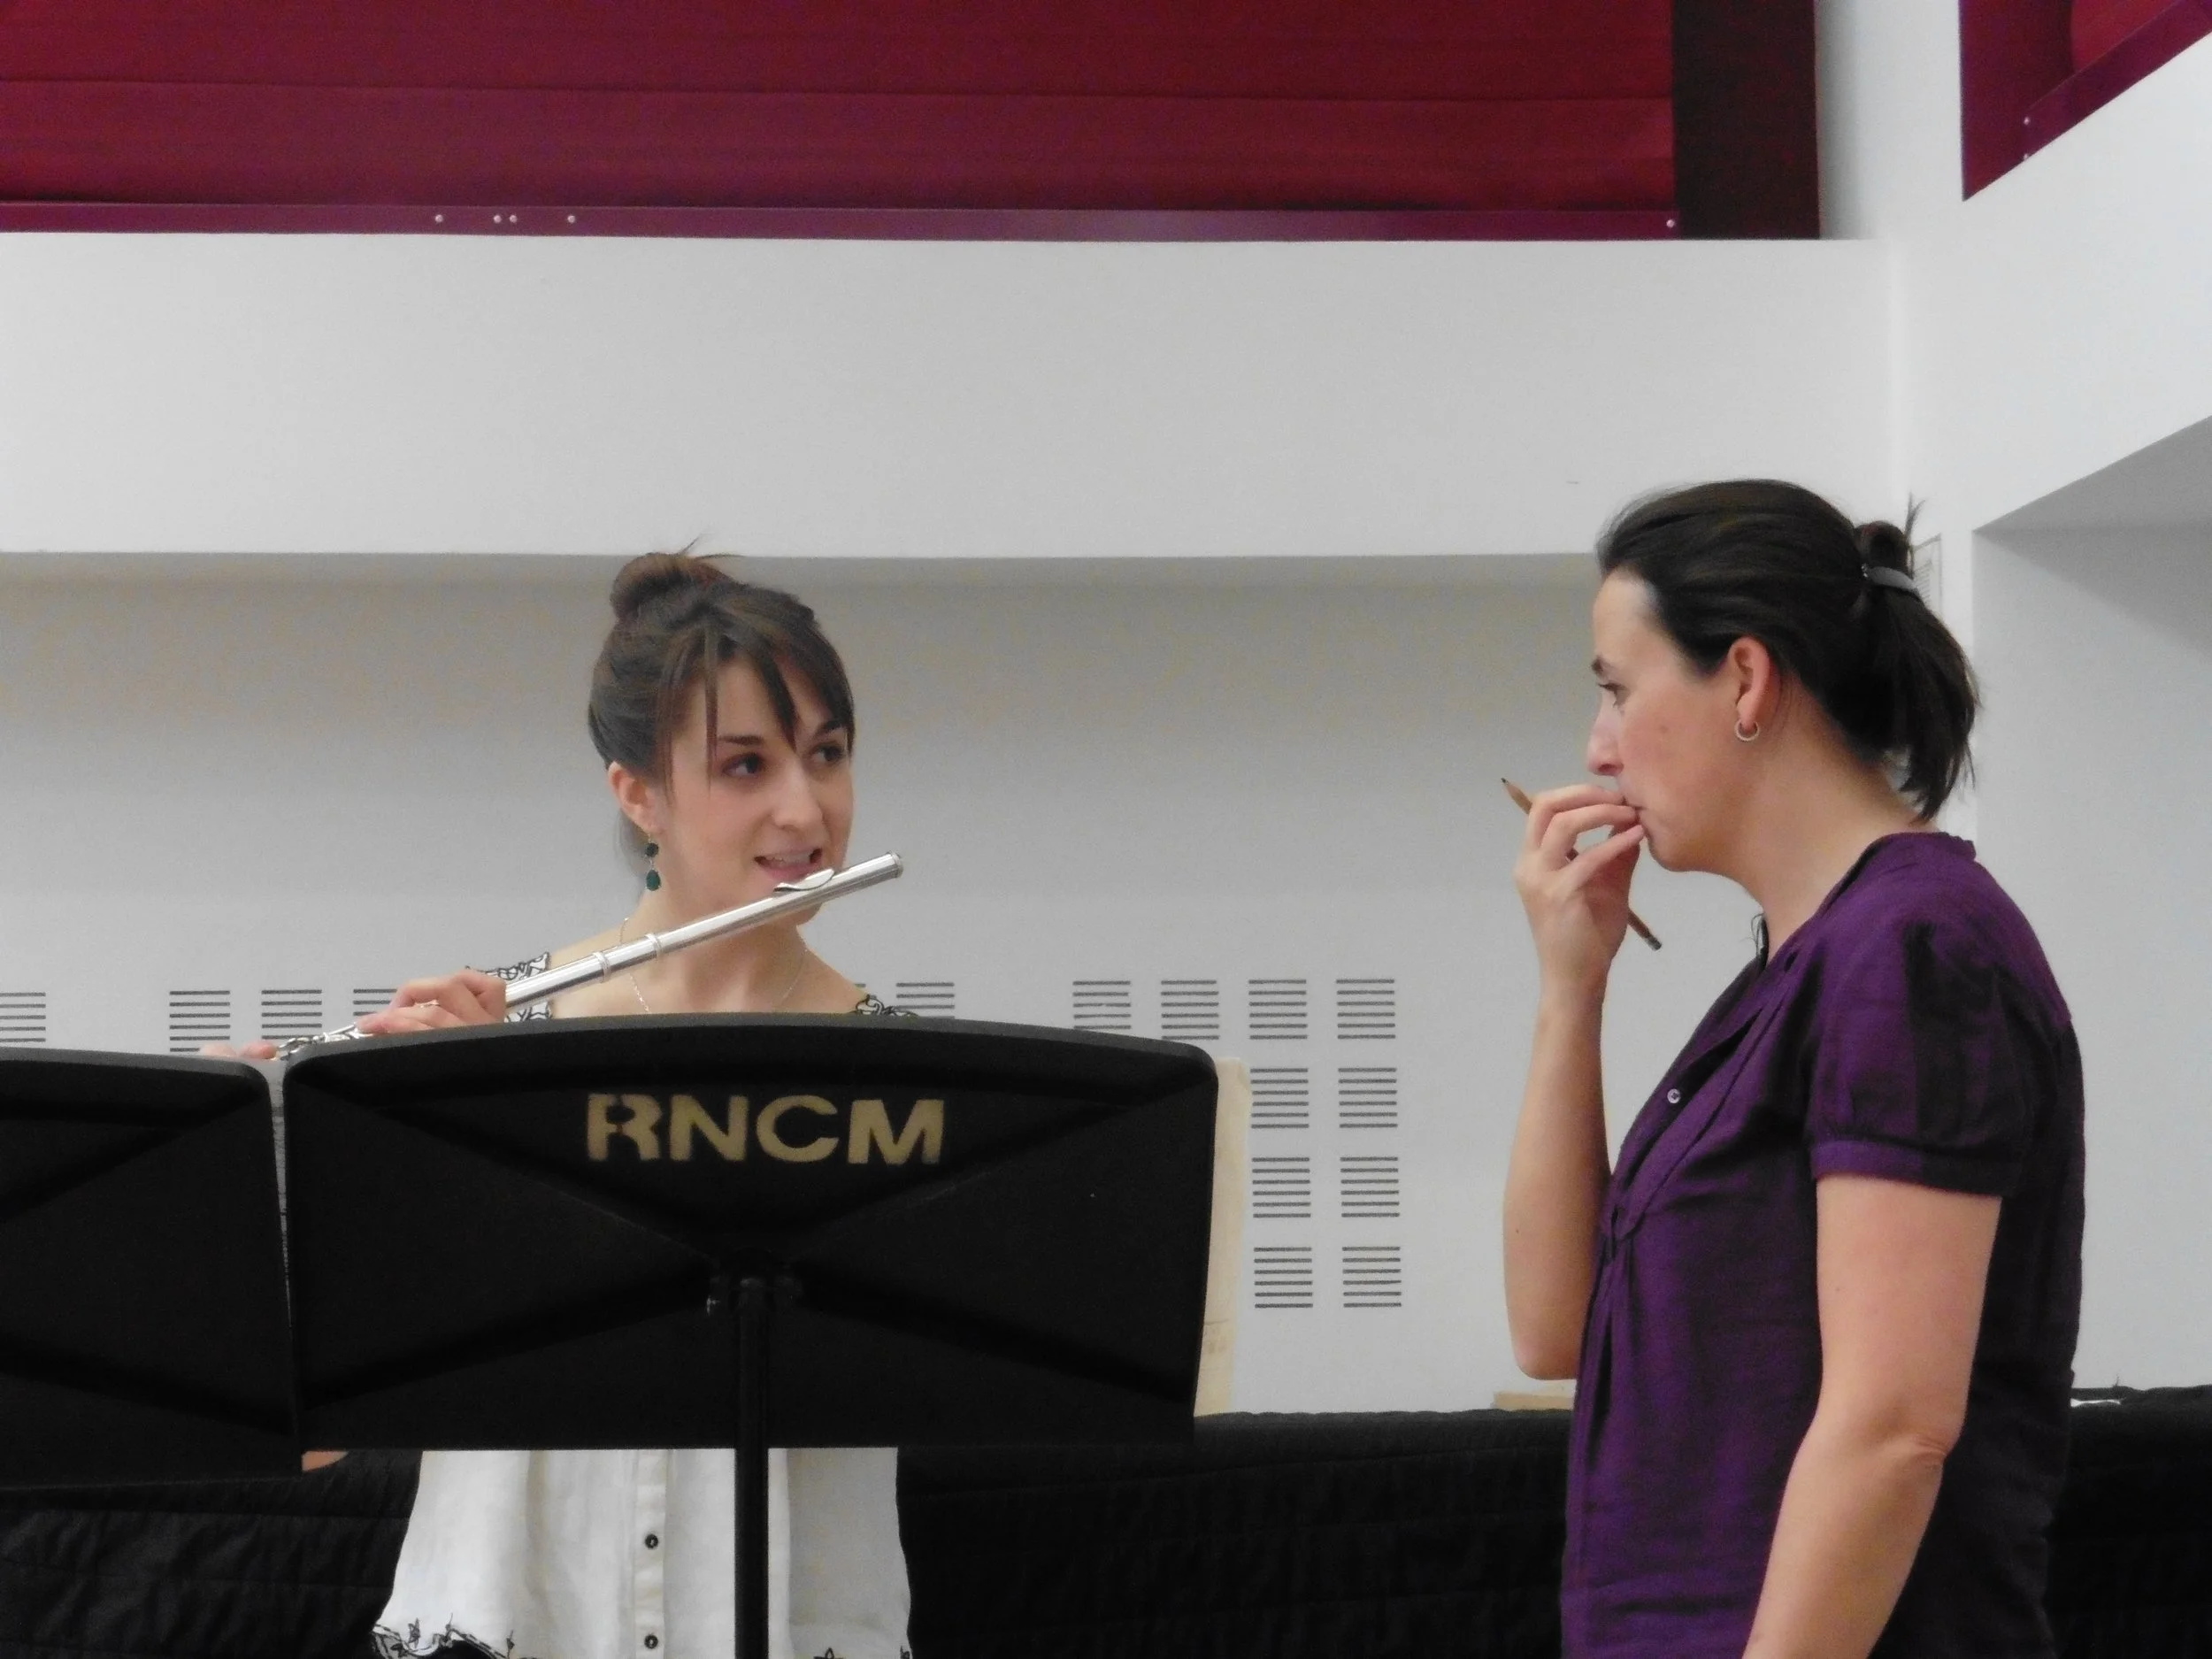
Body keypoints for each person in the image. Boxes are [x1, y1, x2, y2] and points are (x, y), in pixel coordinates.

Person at [1507, 480, 2084, 1657]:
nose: (1597, 745)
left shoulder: (1910, 950)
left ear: (1748, 680)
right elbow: (1557, 1327)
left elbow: (1893, 1426)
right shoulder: (1806, 962)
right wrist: (1573, 987)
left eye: (1619, 689)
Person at [355, 553, 913, 1659]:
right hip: (514, 1618)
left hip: (789, 1625)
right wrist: (331, 1136)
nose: (804, 810)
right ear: (638, 793)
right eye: (744, 765)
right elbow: (328, 1419)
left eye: (827, 756)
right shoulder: (500, 1038)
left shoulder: (901, 1077)